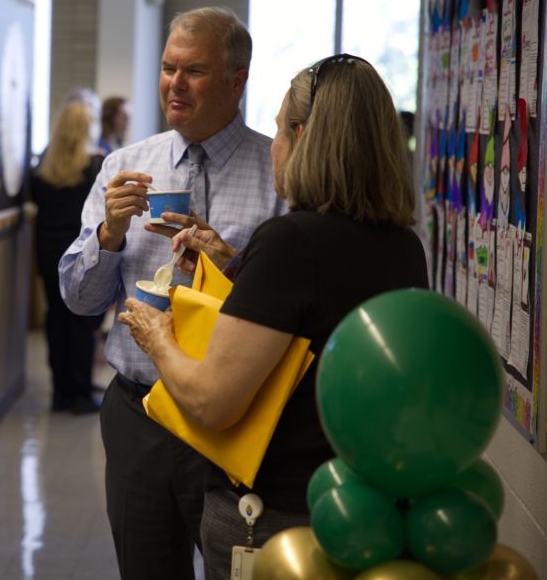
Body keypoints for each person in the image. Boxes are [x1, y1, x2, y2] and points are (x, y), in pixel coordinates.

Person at [119, 54, 429, 579]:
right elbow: (311, 325)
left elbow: (211, 401)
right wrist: (235, 270)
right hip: (363, 507)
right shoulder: (403, 246)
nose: (273, 148)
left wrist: (157, 337)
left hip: (277, 518)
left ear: (303, 136)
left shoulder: (291, 241)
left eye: (280, 129)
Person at [60, 6, 282, 579]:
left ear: (237, 80)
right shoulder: (125, 166)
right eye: (167, 68)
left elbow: (294, 309)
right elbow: (80, 302)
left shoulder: (279, 174)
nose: (174, 84)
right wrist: (108, 234)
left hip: (232, 418)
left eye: (194, 71)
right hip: (140, 412)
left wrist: (227, 268)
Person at [31, 98, 105, 414]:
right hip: (80, 253)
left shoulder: (41, 170)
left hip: (48, 253)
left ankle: (61, 392)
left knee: (56, 320)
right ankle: (81, 394)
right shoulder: (95, 167)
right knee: (82, 323)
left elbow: (34, 202)